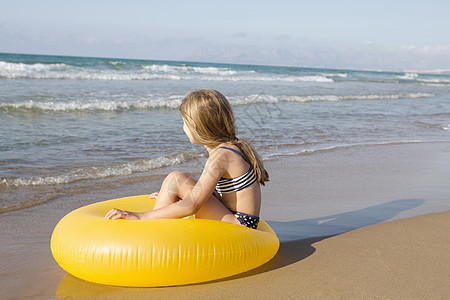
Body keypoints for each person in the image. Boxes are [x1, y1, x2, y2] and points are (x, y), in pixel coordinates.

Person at [105, 89, 269, 229]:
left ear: (198, 126)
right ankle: (165, 202)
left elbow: (192, 205)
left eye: (184, 122)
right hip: (241, 219)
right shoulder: (229, 148)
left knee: (176, 179)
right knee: (176, 183)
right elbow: (225, 194)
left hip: (239, 226)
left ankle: (147, 234)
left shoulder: (221, 155)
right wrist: (175, 195)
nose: (183, 127)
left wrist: (139, 216)